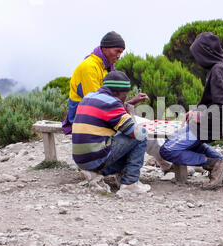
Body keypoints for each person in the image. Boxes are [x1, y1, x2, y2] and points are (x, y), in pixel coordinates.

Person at [62, 30, 172, 172]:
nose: (119, 55)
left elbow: (105, 103)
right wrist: (129, 107)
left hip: (99, 114)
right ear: (105, 48)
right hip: (86, 118)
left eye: (121, 52)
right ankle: (150, 172)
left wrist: (131, 102)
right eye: (117, 51)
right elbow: (97, 104)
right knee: (141, 131)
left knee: (148, 125)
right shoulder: (89, 67)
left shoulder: (105, 66)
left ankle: (166, 163)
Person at [159, 32, 223, 190]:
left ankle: (216, 164)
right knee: (190, 143)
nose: (197, 60)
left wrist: (198, 116)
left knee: (167, 150)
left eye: (198, 55)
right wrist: (195, 111)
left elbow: (222, 106)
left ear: (206, 52)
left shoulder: (217, 70)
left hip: (215, 124)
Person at [72, 70, 151, 194]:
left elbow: (108, 111)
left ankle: (95, 173)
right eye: (125, 94)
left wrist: (129, 103)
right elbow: (134, 133)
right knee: (141, 134)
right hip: (96, 160)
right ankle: (130, 184)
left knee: (120, 135)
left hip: (82, 161)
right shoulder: (112, 104)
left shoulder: (89, 96)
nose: (126, 96)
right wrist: (131, 113)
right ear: (118, 92)